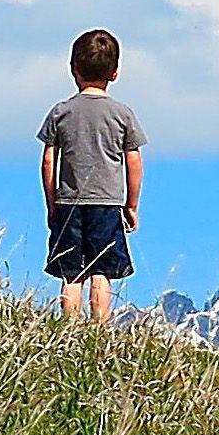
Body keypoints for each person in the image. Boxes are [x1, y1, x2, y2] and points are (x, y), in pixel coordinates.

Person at [39, 27, 146, 325]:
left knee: (71, 272)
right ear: (115, 73)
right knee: (101, 272)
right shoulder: (122, 115)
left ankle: (68, 329)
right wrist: (131, 204)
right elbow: (134, 161)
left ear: (74, 68)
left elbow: (49, 160)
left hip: (69, 202)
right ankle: (100, 329)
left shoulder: (61, 112)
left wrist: (52, 203)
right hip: (108, 203)